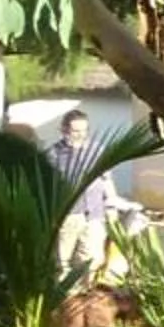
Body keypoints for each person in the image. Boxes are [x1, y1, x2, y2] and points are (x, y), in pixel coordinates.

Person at [50, 108, 127, 283]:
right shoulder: (53, 154)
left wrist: (112, 206)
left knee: (92, 259)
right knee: (62, 261)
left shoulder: (97, 150)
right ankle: (63, 299)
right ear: (63, 130)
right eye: (75, 131)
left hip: (94, 213)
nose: (80, 134)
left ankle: (85, 296)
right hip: (68, 214)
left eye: (84, 130)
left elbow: (106, 179)